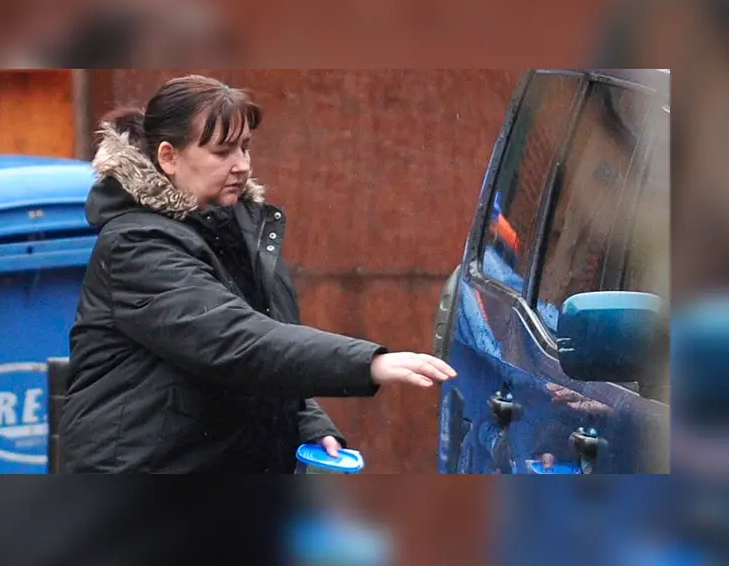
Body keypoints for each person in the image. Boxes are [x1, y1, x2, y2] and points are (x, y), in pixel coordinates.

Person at [59, 74, 456, 473]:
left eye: (246, 148)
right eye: (222, 152)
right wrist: (368, 364)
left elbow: (267, 343)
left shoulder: (237, 231)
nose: (242, 166)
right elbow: (235, 341)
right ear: (169, 157)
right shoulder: (136, 244)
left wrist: (306, 422)